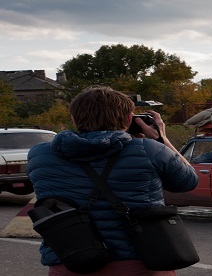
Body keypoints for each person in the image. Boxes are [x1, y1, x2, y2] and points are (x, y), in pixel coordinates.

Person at [27, 86, 199, 276]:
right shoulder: (149, 149)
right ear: (128, 119)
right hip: (141, 262)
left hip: (71, 262)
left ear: (75, 119)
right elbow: (188, 181)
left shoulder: (40, 154)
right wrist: (162, 139)